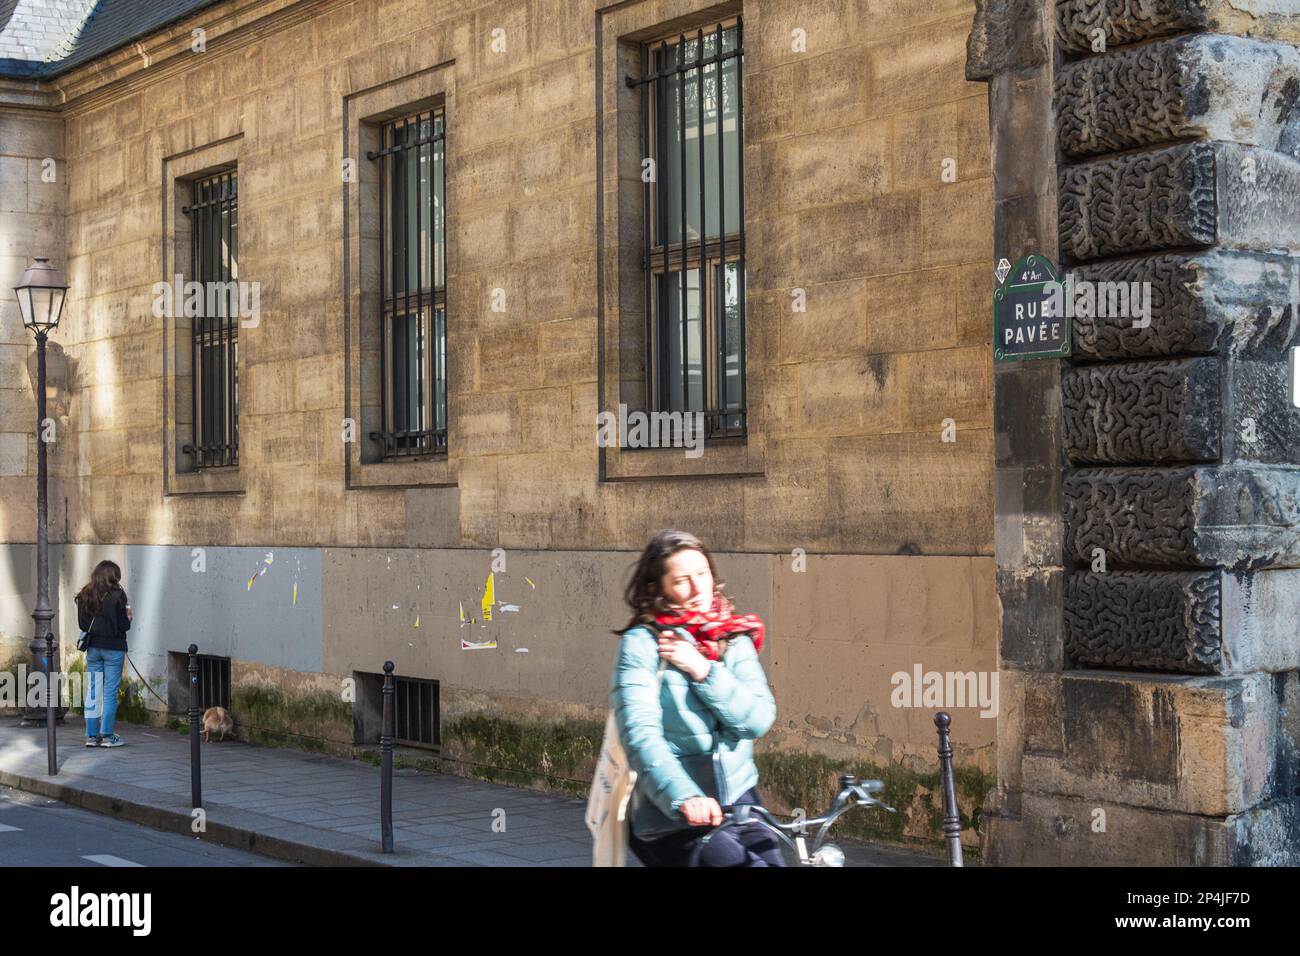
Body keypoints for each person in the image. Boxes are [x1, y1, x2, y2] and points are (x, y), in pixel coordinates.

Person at [610, 529, 782, 866]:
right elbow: (639, 733)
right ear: (656, 587)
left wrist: (703, 670)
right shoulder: (642, 644)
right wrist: (684, 797)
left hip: (739, 796)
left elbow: (758, 719)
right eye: (682, 579)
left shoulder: (732, 638)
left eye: (702, 574)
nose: (697, 588)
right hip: (672, 809)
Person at [75, 560, 132, 748]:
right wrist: (128, 617)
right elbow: (124, 625)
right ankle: (107, 735)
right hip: (114, 648)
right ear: (113, 576)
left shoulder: (85, 594)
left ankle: (91, 735)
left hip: (93, 648)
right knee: (109, 692)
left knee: (93, 691)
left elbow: (83, 625)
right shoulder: (118, 595)